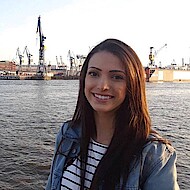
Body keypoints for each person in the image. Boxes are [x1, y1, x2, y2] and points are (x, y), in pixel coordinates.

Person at [46, 39, 179, 190]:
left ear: (132, 84)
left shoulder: (154, 155)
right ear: (84, 79)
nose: (102, 86)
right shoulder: (68, 133)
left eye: (116, 77)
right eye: (94, 73)